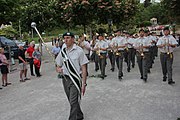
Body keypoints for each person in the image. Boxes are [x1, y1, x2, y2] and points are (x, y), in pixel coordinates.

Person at [56, 32, 89, 120]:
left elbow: (84, 68)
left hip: (75, 79)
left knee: (73, 101)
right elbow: (58, 65)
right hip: (65, 79)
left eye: (68, 38)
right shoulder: (62, 51)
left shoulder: (79, 51)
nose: (65, 40)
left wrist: (84, 83)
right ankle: (80, 115)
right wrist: (58, 69)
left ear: (73, 39)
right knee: (71, 101)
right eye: (64, 38)